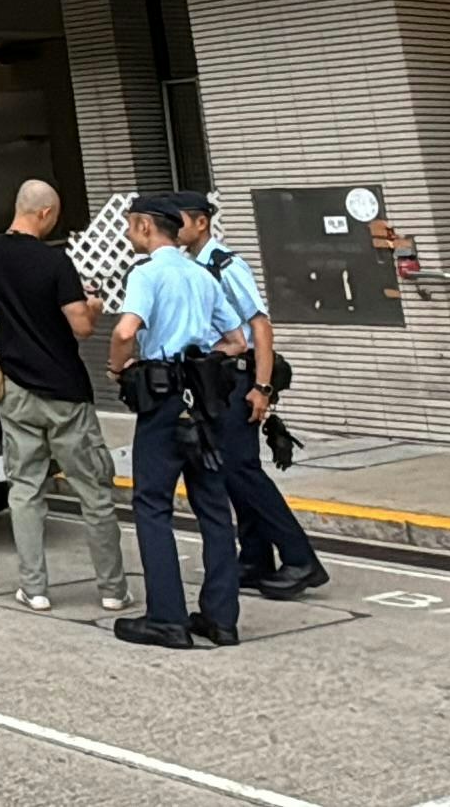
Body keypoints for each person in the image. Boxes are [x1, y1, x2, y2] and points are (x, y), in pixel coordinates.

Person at [0, 181, 127, 614]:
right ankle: (112, 590)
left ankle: (34, 588)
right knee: (93, 491)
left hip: (14, 386)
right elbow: (82, 327)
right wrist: (92, 306)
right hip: (65, 390)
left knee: (24, 488)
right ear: (44, 213)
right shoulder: (56, 262)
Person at [107, 195, 243, 649]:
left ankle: (167, 618)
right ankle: (222, 618)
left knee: (152, 505)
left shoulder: (146, 274)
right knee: (213, 507)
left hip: (163, 400)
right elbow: (236, 340)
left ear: (146, 227)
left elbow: (125, 330)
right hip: (203, 399)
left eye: (131, 225)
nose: (128, 234)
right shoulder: (201, 274)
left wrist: (117, 368)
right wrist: (200, 361)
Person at [177, 196, 326, 600]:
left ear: (202, 222)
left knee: (242, 471)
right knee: (231, 472)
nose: (175, 228)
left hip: (238, 378)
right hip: (214, 381)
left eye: (180, 220)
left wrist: (262, 387)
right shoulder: (192, 265)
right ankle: (256, 557)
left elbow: (260, 326)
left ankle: (300, 559)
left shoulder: (225, 265)